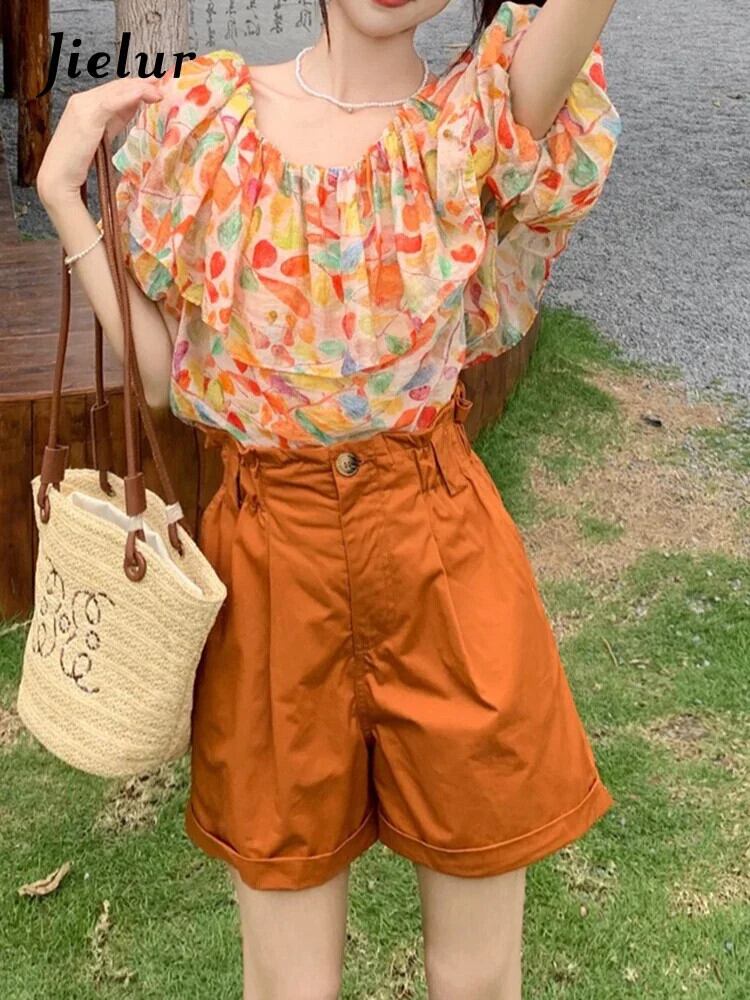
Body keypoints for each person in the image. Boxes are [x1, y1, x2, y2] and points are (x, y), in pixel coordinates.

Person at [37, 1, 621, 996]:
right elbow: (168, 381)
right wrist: (63, 196)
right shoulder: (208, 122)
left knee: (478, 978)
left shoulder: (477, 121)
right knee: (288, 984)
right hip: (272, 576)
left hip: (442, 563)